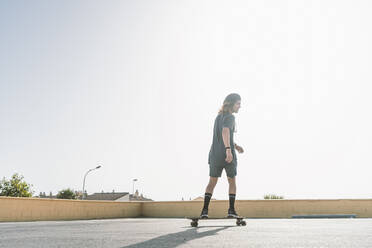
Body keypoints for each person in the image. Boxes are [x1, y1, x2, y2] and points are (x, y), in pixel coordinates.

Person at [200, 93, 244, 218]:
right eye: (238, 103)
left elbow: (222, 136)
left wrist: (235, 146)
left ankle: (204, 211)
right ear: (231, 103)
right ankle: (231, 210)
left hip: (214, 155)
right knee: (232, 181)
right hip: (227, 155)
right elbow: (225, 132)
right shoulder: (230, 117)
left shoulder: (218, 117)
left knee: (211, 182)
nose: (240, 106)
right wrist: (229, 150)